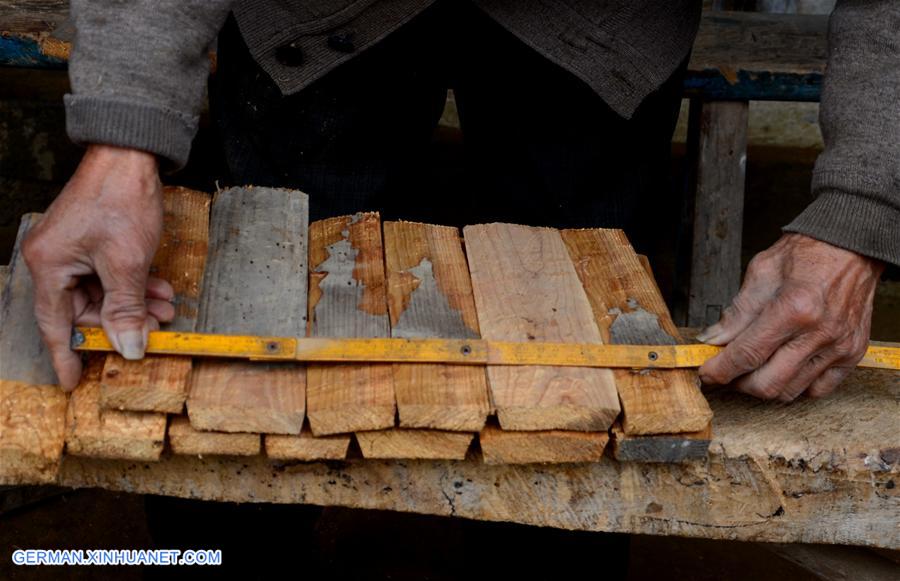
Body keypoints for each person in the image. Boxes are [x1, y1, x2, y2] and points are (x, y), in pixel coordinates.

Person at [23, 0, 893, 403]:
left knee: (571, 429)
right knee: (231, 415)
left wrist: (861, 207)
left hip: (599, 30)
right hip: (312, 25)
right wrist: (124, 137)